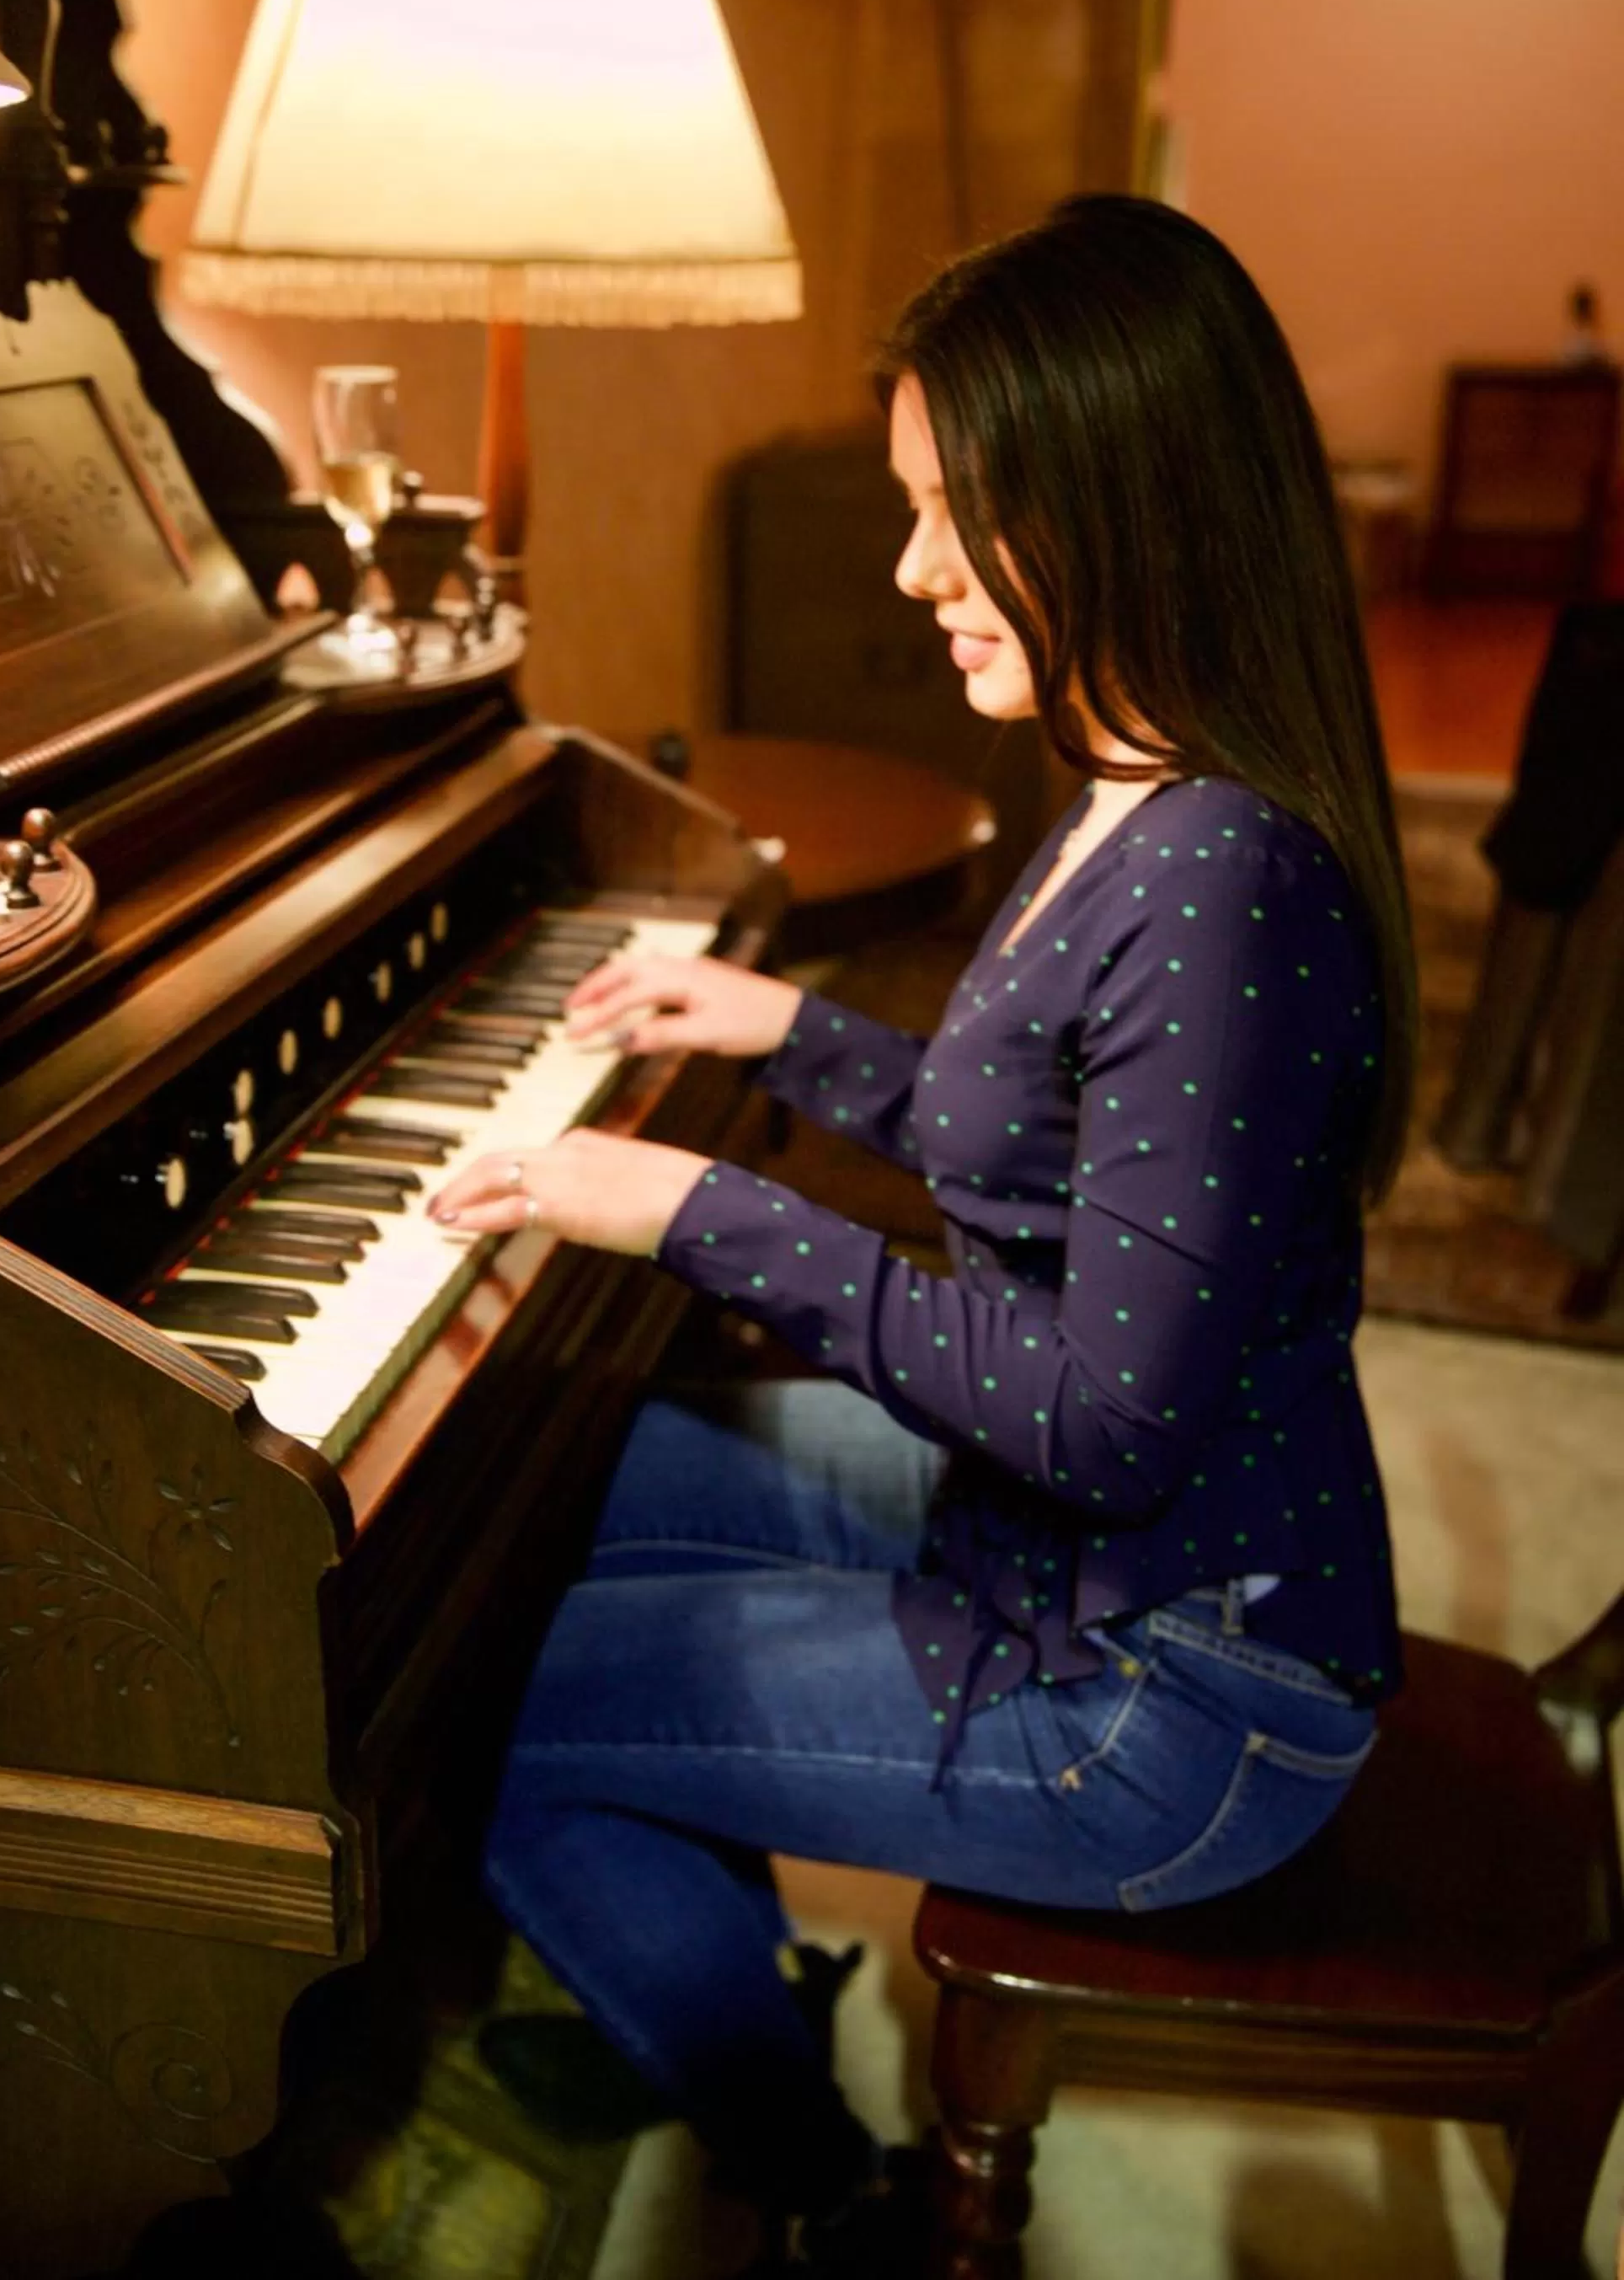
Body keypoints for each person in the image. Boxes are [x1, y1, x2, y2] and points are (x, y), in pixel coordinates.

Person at [430, 195, 1417, 2272]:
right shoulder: (1132, 781)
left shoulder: (1226, 876)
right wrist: (797, 1035)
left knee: (474, 1711)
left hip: (1169, 1688)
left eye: (956, 514)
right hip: (1058, 1557)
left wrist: (704, 1208)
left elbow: (1099, 1425)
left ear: (1124, 495)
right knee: (571, 1494)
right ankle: (724, 1964)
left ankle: (812, 2188)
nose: (910, 571)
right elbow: (1067, 1158)